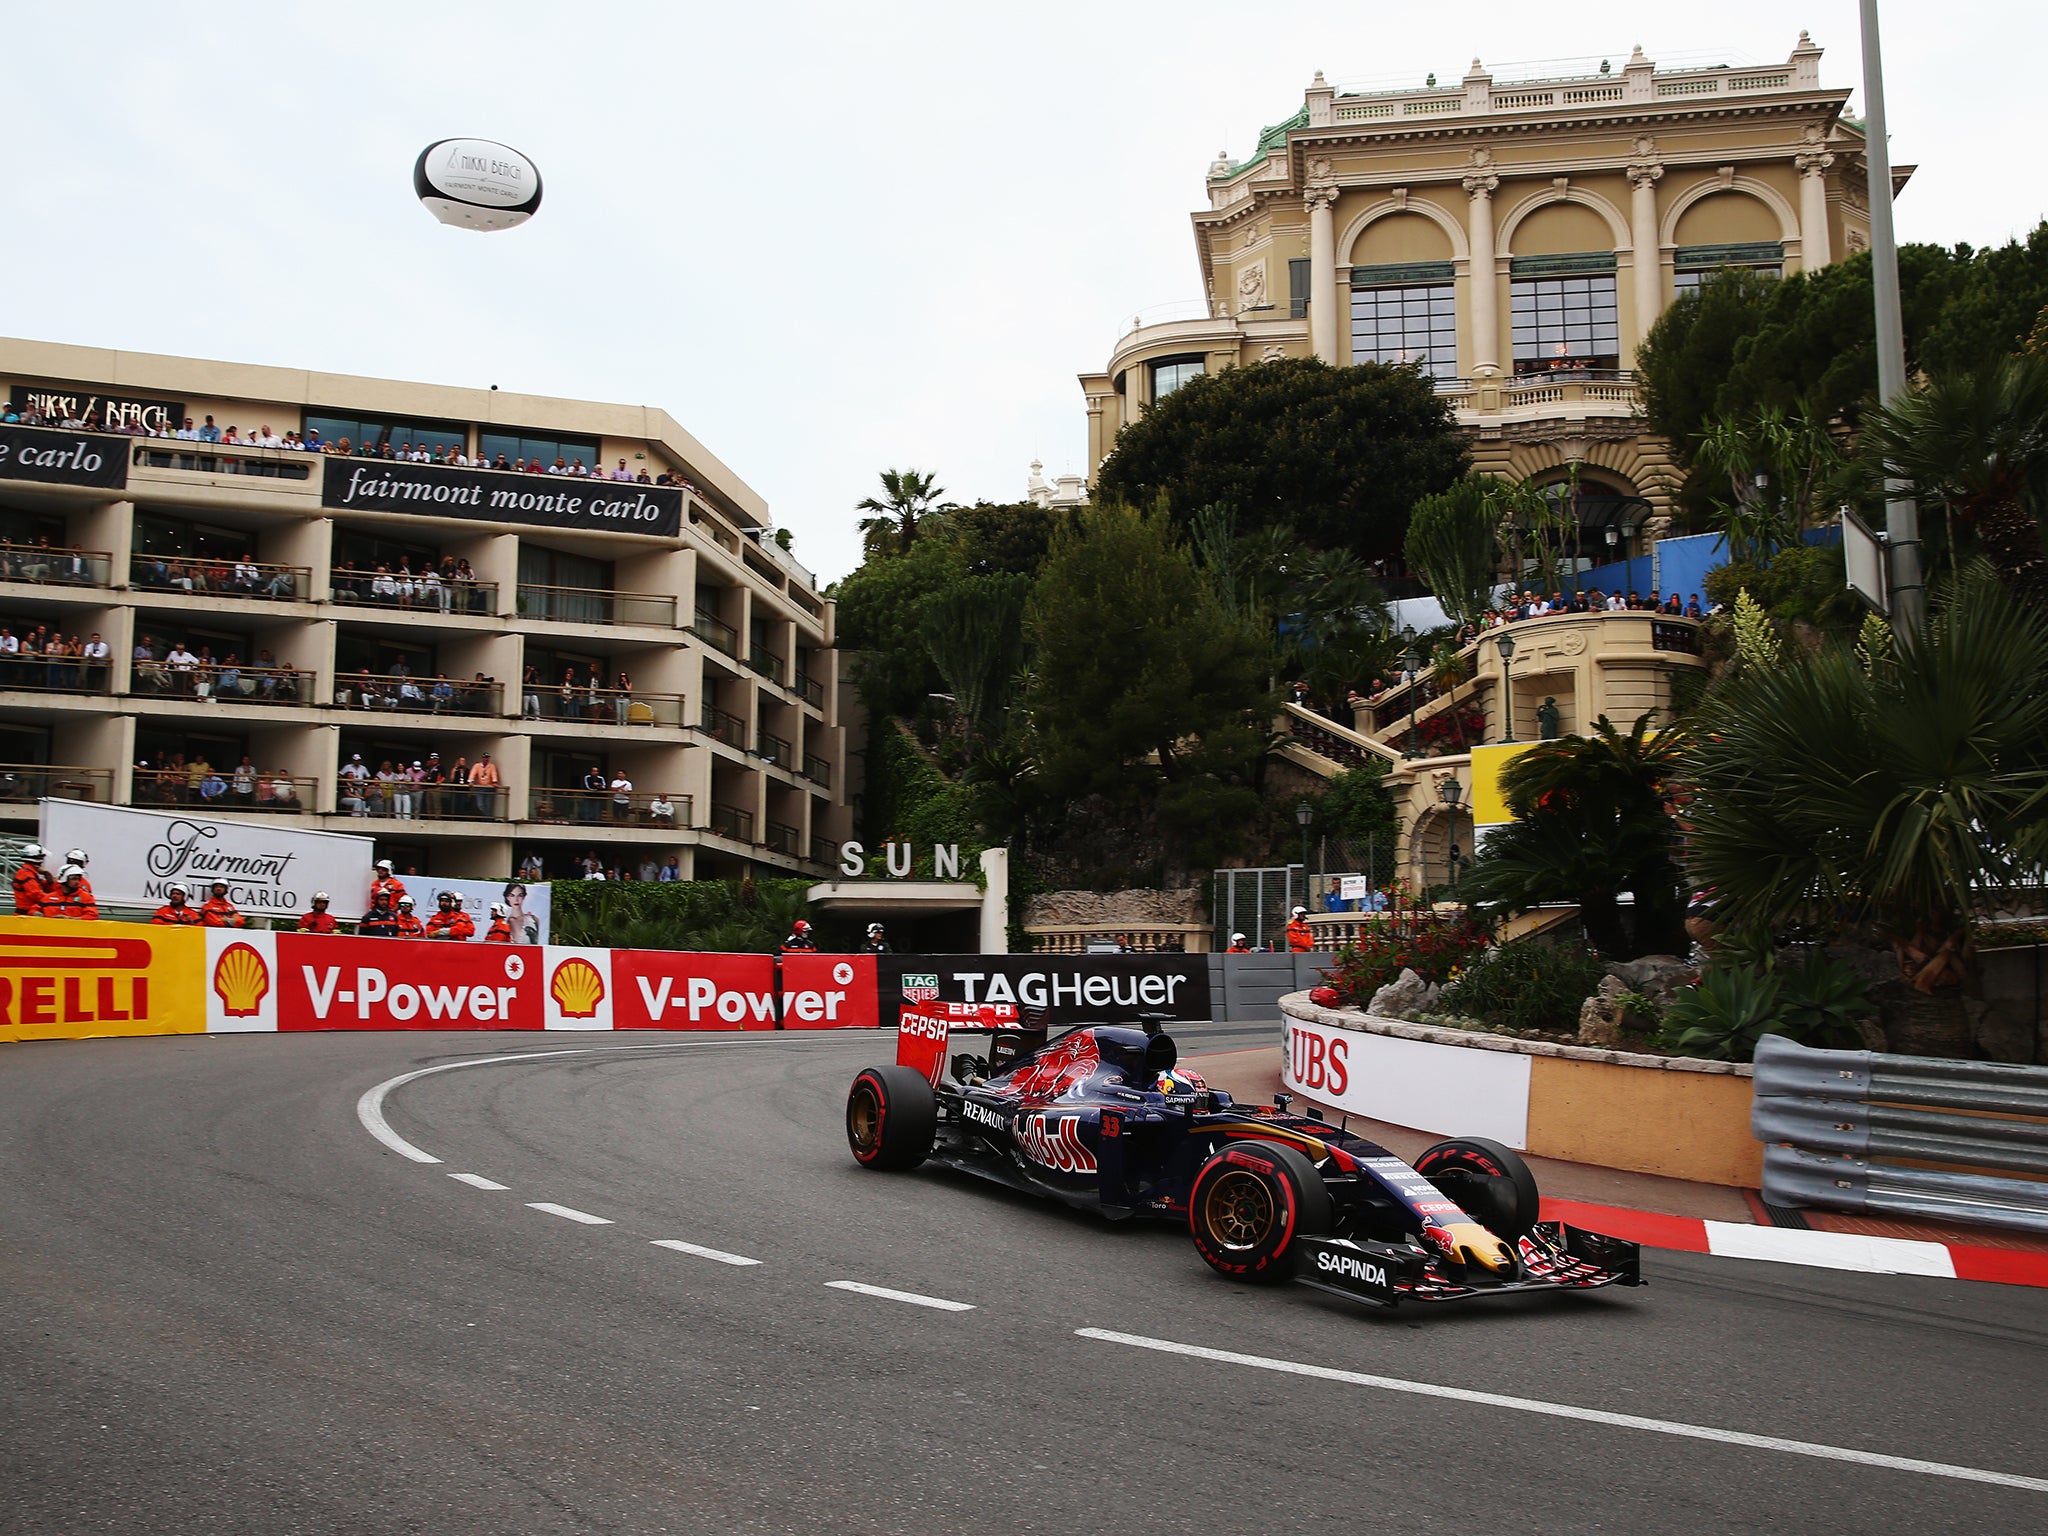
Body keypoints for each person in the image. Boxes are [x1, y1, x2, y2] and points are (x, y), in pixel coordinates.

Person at [12, 842, 53, 916]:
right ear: (38, 858)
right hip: (26, 915)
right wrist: (54, 900)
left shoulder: (30, 873)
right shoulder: (25, 874)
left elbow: (48, 886)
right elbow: (35, 894)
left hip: (29, 913)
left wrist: (48, 875)